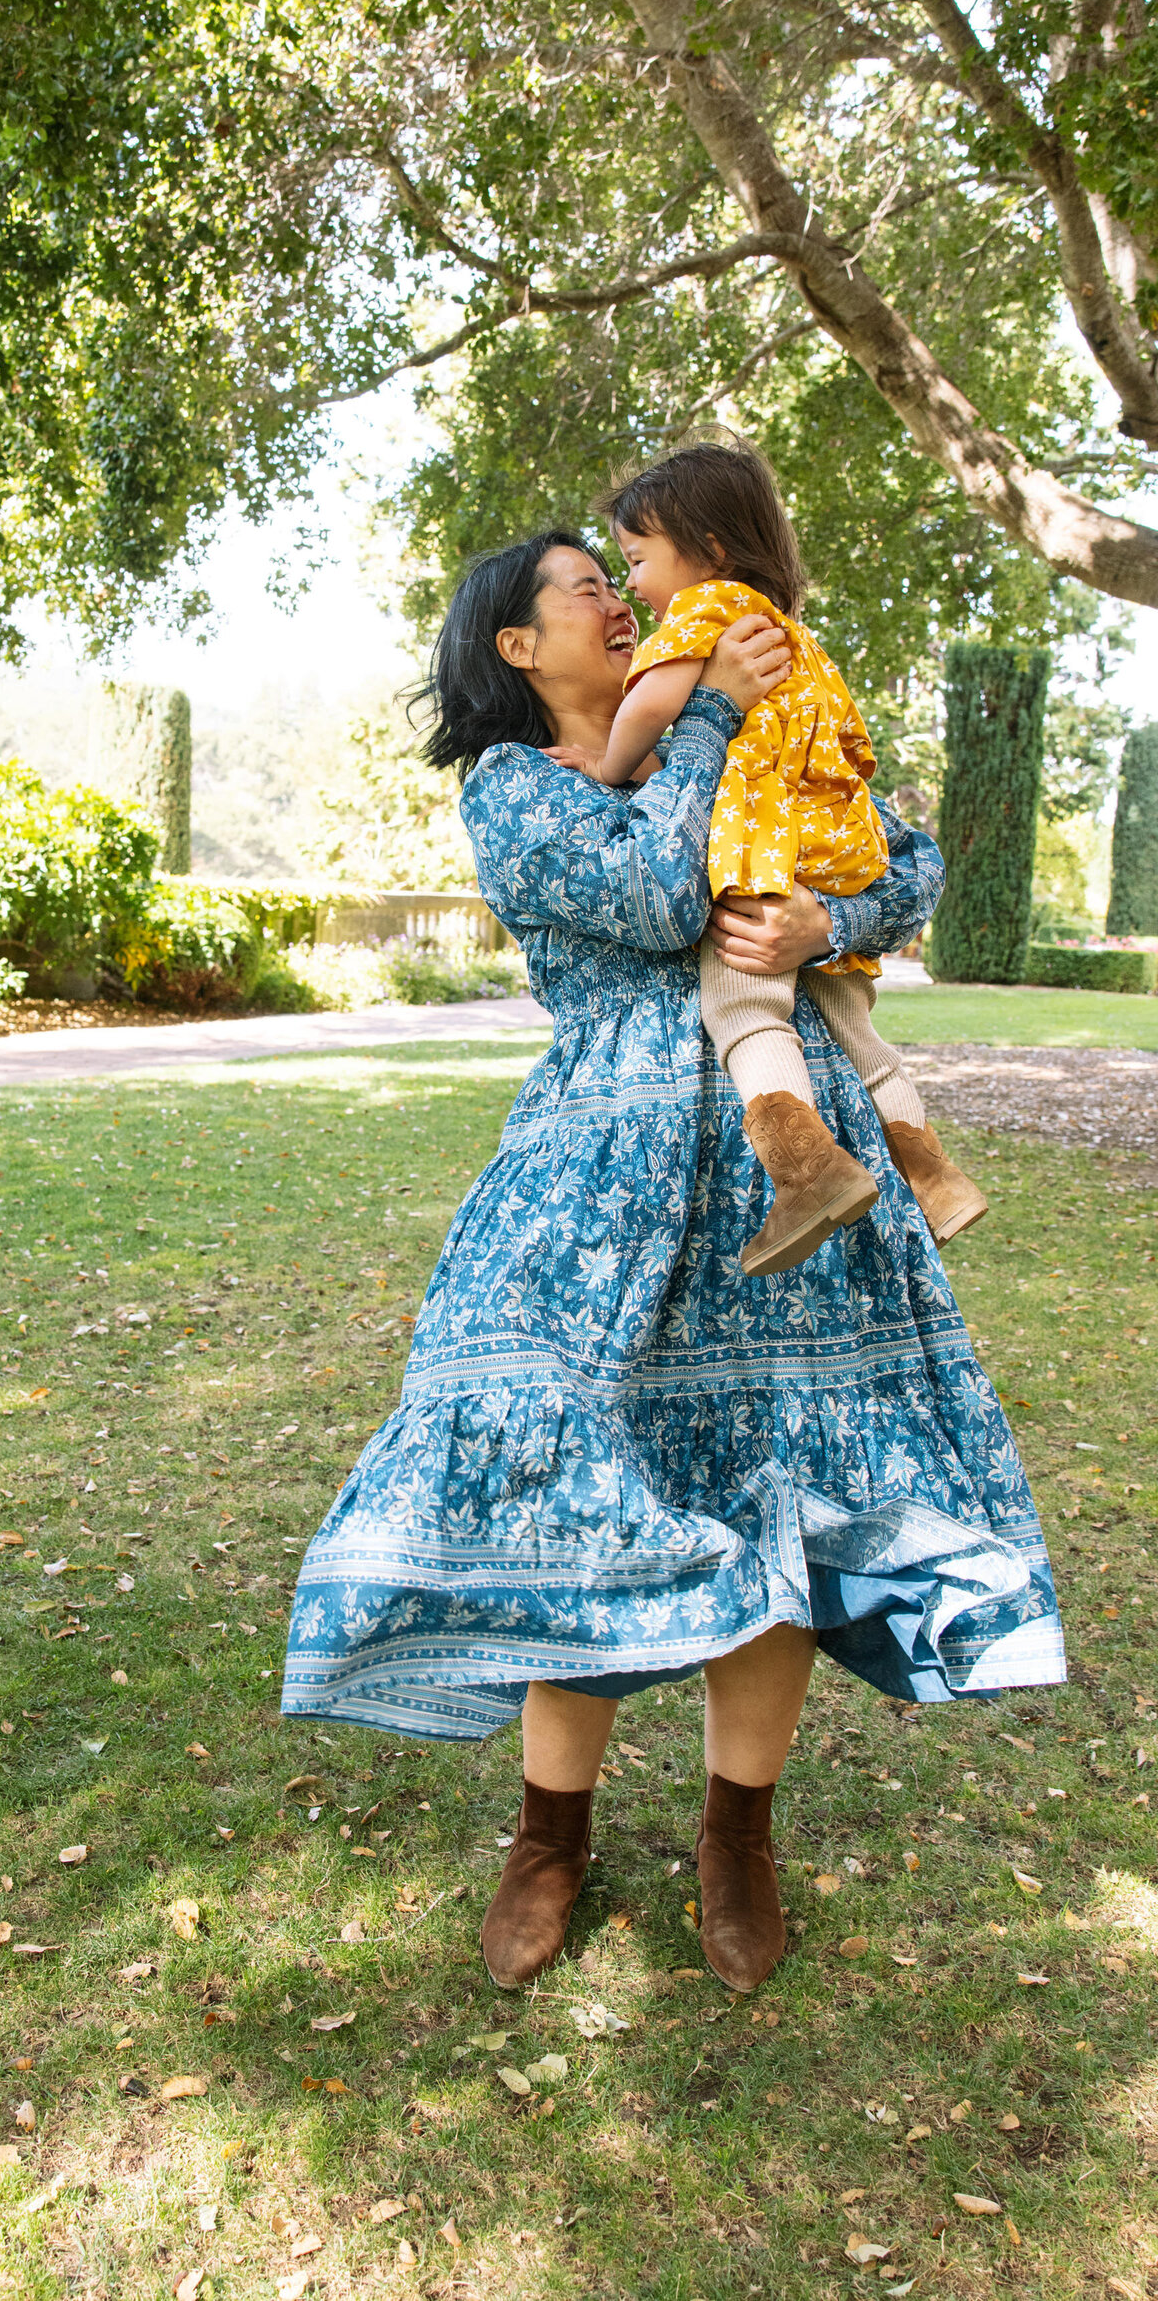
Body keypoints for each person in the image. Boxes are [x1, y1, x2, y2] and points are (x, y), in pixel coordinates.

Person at [281, 529, 1063, 1997]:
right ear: (519, 647)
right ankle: (547, 1834)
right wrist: (703, 715)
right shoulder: (517, 788)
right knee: (583, 1479)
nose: (617, 597)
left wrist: (840, 914)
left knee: (779, 1481)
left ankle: (736, 1832)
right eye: (583, 586)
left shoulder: (750, 728)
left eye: (614, 576)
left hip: (790, 1172)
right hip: (597, 1171)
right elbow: (652, 894)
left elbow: (906, 850)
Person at [545, 439, 985, 1275]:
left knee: (746, 1009)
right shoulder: (794, 635)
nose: (632, 586)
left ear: (706, 551)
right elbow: (732, 757)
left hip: (770, 854)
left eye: (636, 561)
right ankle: (933, 1176)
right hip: (837, 846)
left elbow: (654, 705)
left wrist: (609, 766)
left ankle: (807, 1174)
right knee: (859, 1031)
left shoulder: (710, 611)